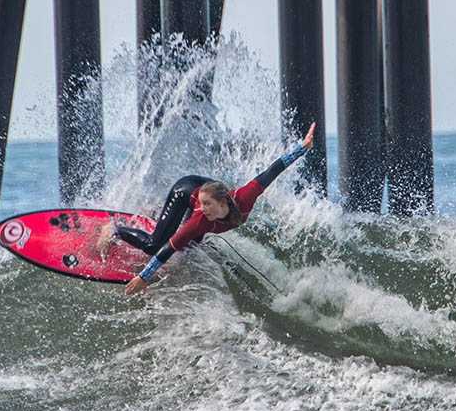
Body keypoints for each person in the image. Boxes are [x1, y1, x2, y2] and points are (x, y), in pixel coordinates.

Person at [99, 122, 316, 295]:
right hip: (183, 191)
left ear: (223, 203)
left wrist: (302, 148)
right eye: (202, 206)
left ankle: (158, 214)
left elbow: (273, 170)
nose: (202, 209)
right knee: (154, 244)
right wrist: (144, 277)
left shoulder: (246, 195)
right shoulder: (200, 219)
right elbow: (168, 248)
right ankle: (115, 230)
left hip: (206, 188)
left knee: (192, 246)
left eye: (207, 206)